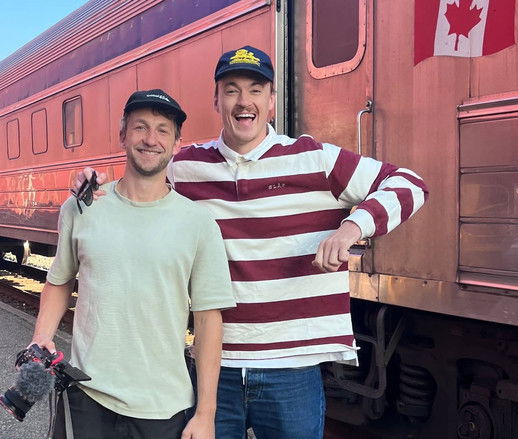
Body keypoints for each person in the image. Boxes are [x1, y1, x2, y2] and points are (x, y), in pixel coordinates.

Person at [75, 46, 428, 439]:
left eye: (256, 90)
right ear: (216, 101)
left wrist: (353, 227)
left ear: (272, 101)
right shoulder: (185, 168)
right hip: (215, 368)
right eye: (232, 90)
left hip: (292, 368)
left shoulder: (316, 160)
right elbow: (137, 185)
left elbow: (410, 184)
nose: (244, 101)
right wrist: (92, 181)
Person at [31, 89, 236, 439]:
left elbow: (208, 319)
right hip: (87, 396)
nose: (150, 139)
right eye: (140, 127)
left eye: (162, 130)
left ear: (176, 144)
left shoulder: (198, 223)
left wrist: (206, 414)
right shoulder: (82, 208)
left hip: (163, 405)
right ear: (122, 134)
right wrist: (40, 339)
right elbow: (60, 281)